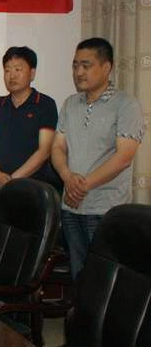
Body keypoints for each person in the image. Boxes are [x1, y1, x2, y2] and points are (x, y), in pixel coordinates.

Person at [51, 38, 145, 279]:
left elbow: (124, 157)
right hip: (71, 208)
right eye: (75, 65)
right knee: (79, 277)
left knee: (105, 282)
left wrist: (81, 186)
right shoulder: (70, 104)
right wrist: (67, 177)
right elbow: (57, 147)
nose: (78, 72)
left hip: (106, 211)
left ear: (106, 67)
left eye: (86, 65)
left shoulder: (126, 105)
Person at [0, 46, 60, 221]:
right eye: (7, 70)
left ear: (32, 73)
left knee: (29, 237)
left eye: (18, 69)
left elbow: (44, 150)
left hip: (32, 189)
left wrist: (13, 180)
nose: (12, 75)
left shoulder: (45, 104)